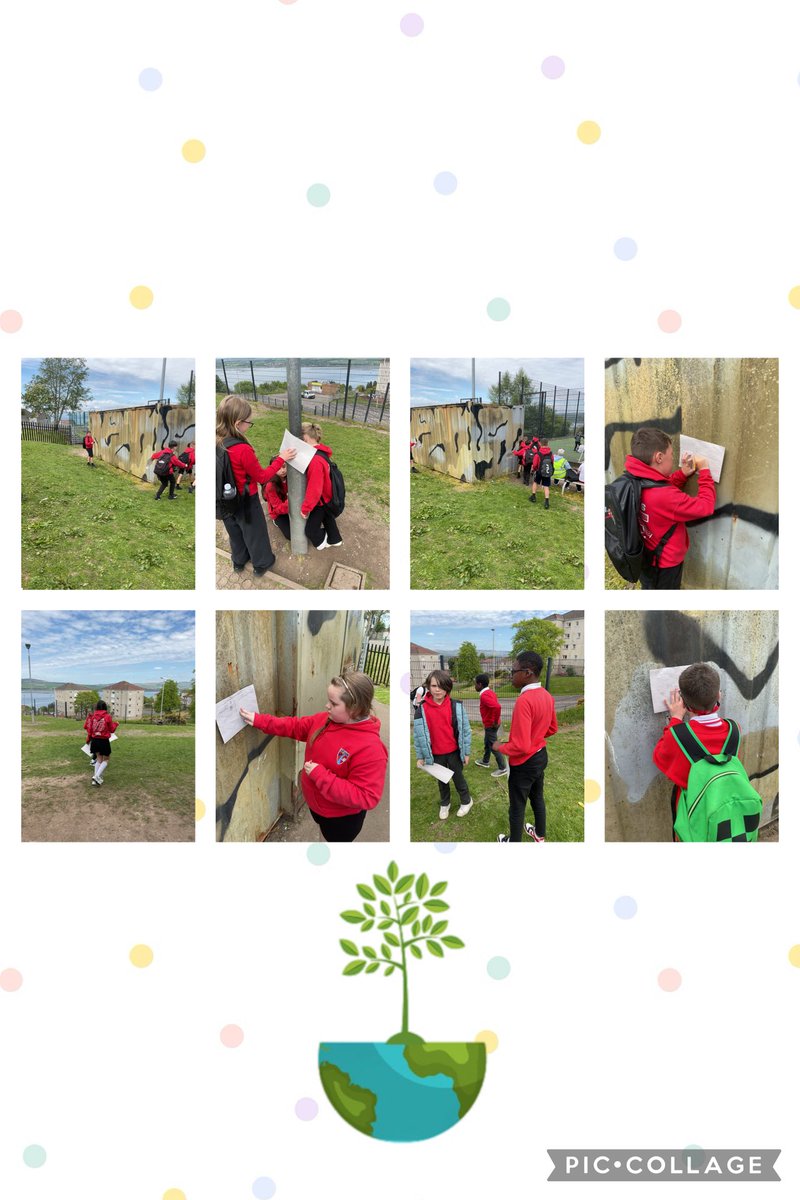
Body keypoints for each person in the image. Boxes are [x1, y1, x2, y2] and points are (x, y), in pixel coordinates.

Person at [240, 671, 387, 843]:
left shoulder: (371, 749)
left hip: (340, 821)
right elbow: (294, 726)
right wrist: (259, 720)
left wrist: (321, 776)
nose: (327, 706)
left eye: (333, 703)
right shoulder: (326, 720)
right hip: (318, 809)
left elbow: (366, 796)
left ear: (355, 708)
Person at [653, 663, 753, 842]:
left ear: (683, 701)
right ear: (719, 695)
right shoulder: (734, 729)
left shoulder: (677, 735)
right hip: (728, 811)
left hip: (694, 809)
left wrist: (675, 718)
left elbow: (660, 756)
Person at [623, 427, 715, 589]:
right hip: (665, 565)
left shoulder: (634, 477)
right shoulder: (665, 496)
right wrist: (705, 470)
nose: (673, 459)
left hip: (646, 556)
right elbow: (706, 507)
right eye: (671, 455)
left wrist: (682, 474)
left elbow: (656, 486)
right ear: (659, 457)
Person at [216, 394, 296, 576]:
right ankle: (261, 564)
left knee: (234, 532)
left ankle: (238, 561)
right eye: (248, 423)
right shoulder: (241, 449)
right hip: (245, 500)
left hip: (223, 498)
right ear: (237, 423)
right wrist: (281, 459)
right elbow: (261, 476)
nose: (249, 426)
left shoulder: (214, 440)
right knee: (255, 533)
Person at [495, 652, 558, 843]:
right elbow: (552, 728)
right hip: (540, 757)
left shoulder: (524, 701)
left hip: (524, 764)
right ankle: (539, 835)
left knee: (517, 806)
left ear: (527, 673)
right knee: (537, 797)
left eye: (513, 671)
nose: (511, 675)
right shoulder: (547, 695)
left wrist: (500, 747)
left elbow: (521, 746)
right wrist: (535, 737)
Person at [413, 670, 472, 820]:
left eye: (441, 686)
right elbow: (418, 735)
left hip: (454, 753)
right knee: (442, 781)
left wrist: (466, 752)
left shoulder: (456, 706)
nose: (437, 690)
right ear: (428, 686)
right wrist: (420, 756)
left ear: (448, 687)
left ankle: (466, 801)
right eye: (433, 686)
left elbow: (465, 730)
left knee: (458, 778)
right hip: (435, 754)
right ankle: (445, 803)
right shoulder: (422, 709)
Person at [301, 422, 343, 550]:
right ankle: (335, 539)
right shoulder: (320, 451)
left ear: (305, 438)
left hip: (322, 501)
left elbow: (315, 490)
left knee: (310, 531)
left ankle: (321, 542)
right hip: (328, 496)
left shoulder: (315, 461)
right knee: (327, 517)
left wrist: (305, 508)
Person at [473, 674, 508, 776]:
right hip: (491, 724)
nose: (475, 686)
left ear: (480, 684)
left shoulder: (484, 696)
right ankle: (485, 761)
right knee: (487, 742)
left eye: (475, 684)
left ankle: (503, 767)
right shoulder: (490, 692)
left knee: (493, 745)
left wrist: (495, 721)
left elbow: (497, 707)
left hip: (491, 725)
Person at [83, 700, 118, 787]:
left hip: (95, 740)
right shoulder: (107, 716)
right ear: (105, 707)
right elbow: (112, 729)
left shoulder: (92, 716)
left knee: (98, 759)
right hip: (103, 741)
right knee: (106, 759)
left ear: (97, 707)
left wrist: (89, 739)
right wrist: (116, 724)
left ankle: (95, 780)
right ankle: (96, 776)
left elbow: (89, 729)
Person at [264, 456, 290, 541]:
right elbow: (278, 508)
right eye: (278, 468)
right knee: (290, 535)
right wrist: (290, 501)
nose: (282, 470)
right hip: (278, 512)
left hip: (289, 506)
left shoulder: (290, 476)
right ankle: (276, 521)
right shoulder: (270, 486)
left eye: (284, 466)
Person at [529, 441, 554, 508]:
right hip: (547, 472)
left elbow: (534, 464)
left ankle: (533, 496)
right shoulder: (551, 454)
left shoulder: (538, 454)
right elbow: (552, 462)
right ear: (547, 444)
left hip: (539, 471)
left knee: (535, 482)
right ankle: (546, 502)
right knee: (546, 486)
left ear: (541, 444)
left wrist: (534, 469)